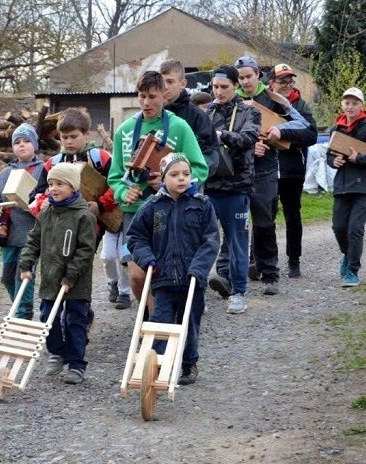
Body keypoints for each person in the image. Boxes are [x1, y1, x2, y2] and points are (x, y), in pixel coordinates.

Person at [108, 70, 208, 315]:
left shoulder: (179, 127)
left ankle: (162, 325)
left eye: (152, 96)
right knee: (137, 275)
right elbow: (114, 176)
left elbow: (200, 168)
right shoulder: (124, 130)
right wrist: (123, 192)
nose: (146, 102)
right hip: (136, 213)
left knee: (166, 274)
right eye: (142, 96)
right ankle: (152, 320)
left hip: (171, 211)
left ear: (164, 95)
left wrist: (170, 184)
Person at [127, 154, 219, 384]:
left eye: (185, 174)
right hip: (163, 278)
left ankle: (188, 363)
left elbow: (210, 240)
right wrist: (146, 258)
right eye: (175, 175)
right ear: (163, 177)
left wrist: (199, 269)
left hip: (192, 279)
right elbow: (136, 237)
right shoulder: (152, 206)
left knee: (189, 321)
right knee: (161, 322)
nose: (181, 179)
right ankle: (157, 364)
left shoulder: (201, 205)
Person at [31, 107, 128, 311]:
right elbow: (38, 193)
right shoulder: (53, 163)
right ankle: (58, 305)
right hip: (60, 226)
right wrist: (43, 203)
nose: (69, 142)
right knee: (61, 263)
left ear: (86, 134)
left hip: (93, 224)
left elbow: (116, 183)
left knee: (81, 264)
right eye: (64, 137)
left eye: (74, 136)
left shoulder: (101, 158)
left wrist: (101, 204)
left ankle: (82, 309)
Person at [234, 55, 311, 295]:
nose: (245, 81)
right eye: (241, 77)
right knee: (235, 224)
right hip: (238, 169)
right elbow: (223, 134)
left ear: (258, 75)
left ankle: (271, 274)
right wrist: (247, 146)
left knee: (265, 221)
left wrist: (281, 129)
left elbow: (306, 129)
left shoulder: (273, 99)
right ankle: (234, 274)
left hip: (268, 169)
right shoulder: (233, 99)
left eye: (249, 76)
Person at [20, 163, 97, 384]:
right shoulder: (46, 213)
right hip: (51, 278)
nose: (53, 188)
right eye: (51, 183)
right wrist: (26, 263)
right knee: (46, 317)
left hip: (76, 281)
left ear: (73, 187)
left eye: (60, 184)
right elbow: (34, 240)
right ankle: (57, 351)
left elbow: (86, 250)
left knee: (75, 320)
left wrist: (72, 274)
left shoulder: (84, 216)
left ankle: (76, 363)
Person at [204, 65, 261, 314]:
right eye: (215, 87)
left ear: (235, 85)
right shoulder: (206, 112)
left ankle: (238, 292)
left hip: (237, 188)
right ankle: (195, 293)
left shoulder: (249, 112)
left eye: (224, 87)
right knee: (202, 241)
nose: (219, 92)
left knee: (238, 241)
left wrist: (222, 135)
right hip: (210, 186)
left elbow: (249, 139)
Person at [326, 87, 366, 286]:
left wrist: (360, 158)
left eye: (355, 103)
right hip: (342, 186)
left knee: (355, 229)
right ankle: (347, 255)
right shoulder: (335, 129)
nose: (350, 106)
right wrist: (333, 161)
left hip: (363, 186)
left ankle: (352, 271)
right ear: (342, 104)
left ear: (362, 106)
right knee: (338, 227)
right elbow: (329, 155)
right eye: (347, 102)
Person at [0, 123, 45, 320]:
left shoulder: (43, 171)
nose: (22, 145)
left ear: (35, 144)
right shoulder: (5, 173)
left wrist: (31, 204)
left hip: (30, 233)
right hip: (8, 233)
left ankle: (23, 315)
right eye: (17, 142)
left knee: (25, 275)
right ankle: (18, 306)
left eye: (27, 141)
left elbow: (45, 196)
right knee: (6, 277)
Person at [267, 63, 318, 278]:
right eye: (282, 81)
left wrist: (282, 134)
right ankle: (262, 261)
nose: (287, 85)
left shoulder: (300, 105)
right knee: (265, 216)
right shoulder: (264, 103)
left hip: (292, 170)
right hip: (266, 169)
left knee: (292, 216)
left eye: (290, 81)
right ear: (271, 83)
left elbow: (311, 135)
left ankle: (293, 260)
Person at [159, 58, 220, 174]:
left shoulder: (198, 116)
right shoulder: (152, 113)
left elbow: (210, 157)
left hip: (188, 185)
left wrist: (187, 176)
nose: (165, 86)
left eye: (170, 82)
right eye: (162, 82)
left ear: (182, 84)